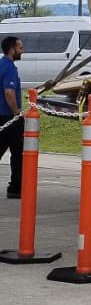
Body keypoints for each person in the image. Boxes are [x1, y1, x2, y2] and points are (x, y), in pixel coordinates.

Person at [0, 35, 24, 200]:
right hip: (8, 117)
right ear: (12, 50)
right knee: (18, 153)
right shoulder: (9, 68)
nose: (22, 51)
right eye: (20, 48)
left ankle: (15, 187)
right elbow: (9, 93)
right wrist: (17, 113)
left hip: (1, 116)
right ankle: (15, 188)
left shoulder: (2, 64)